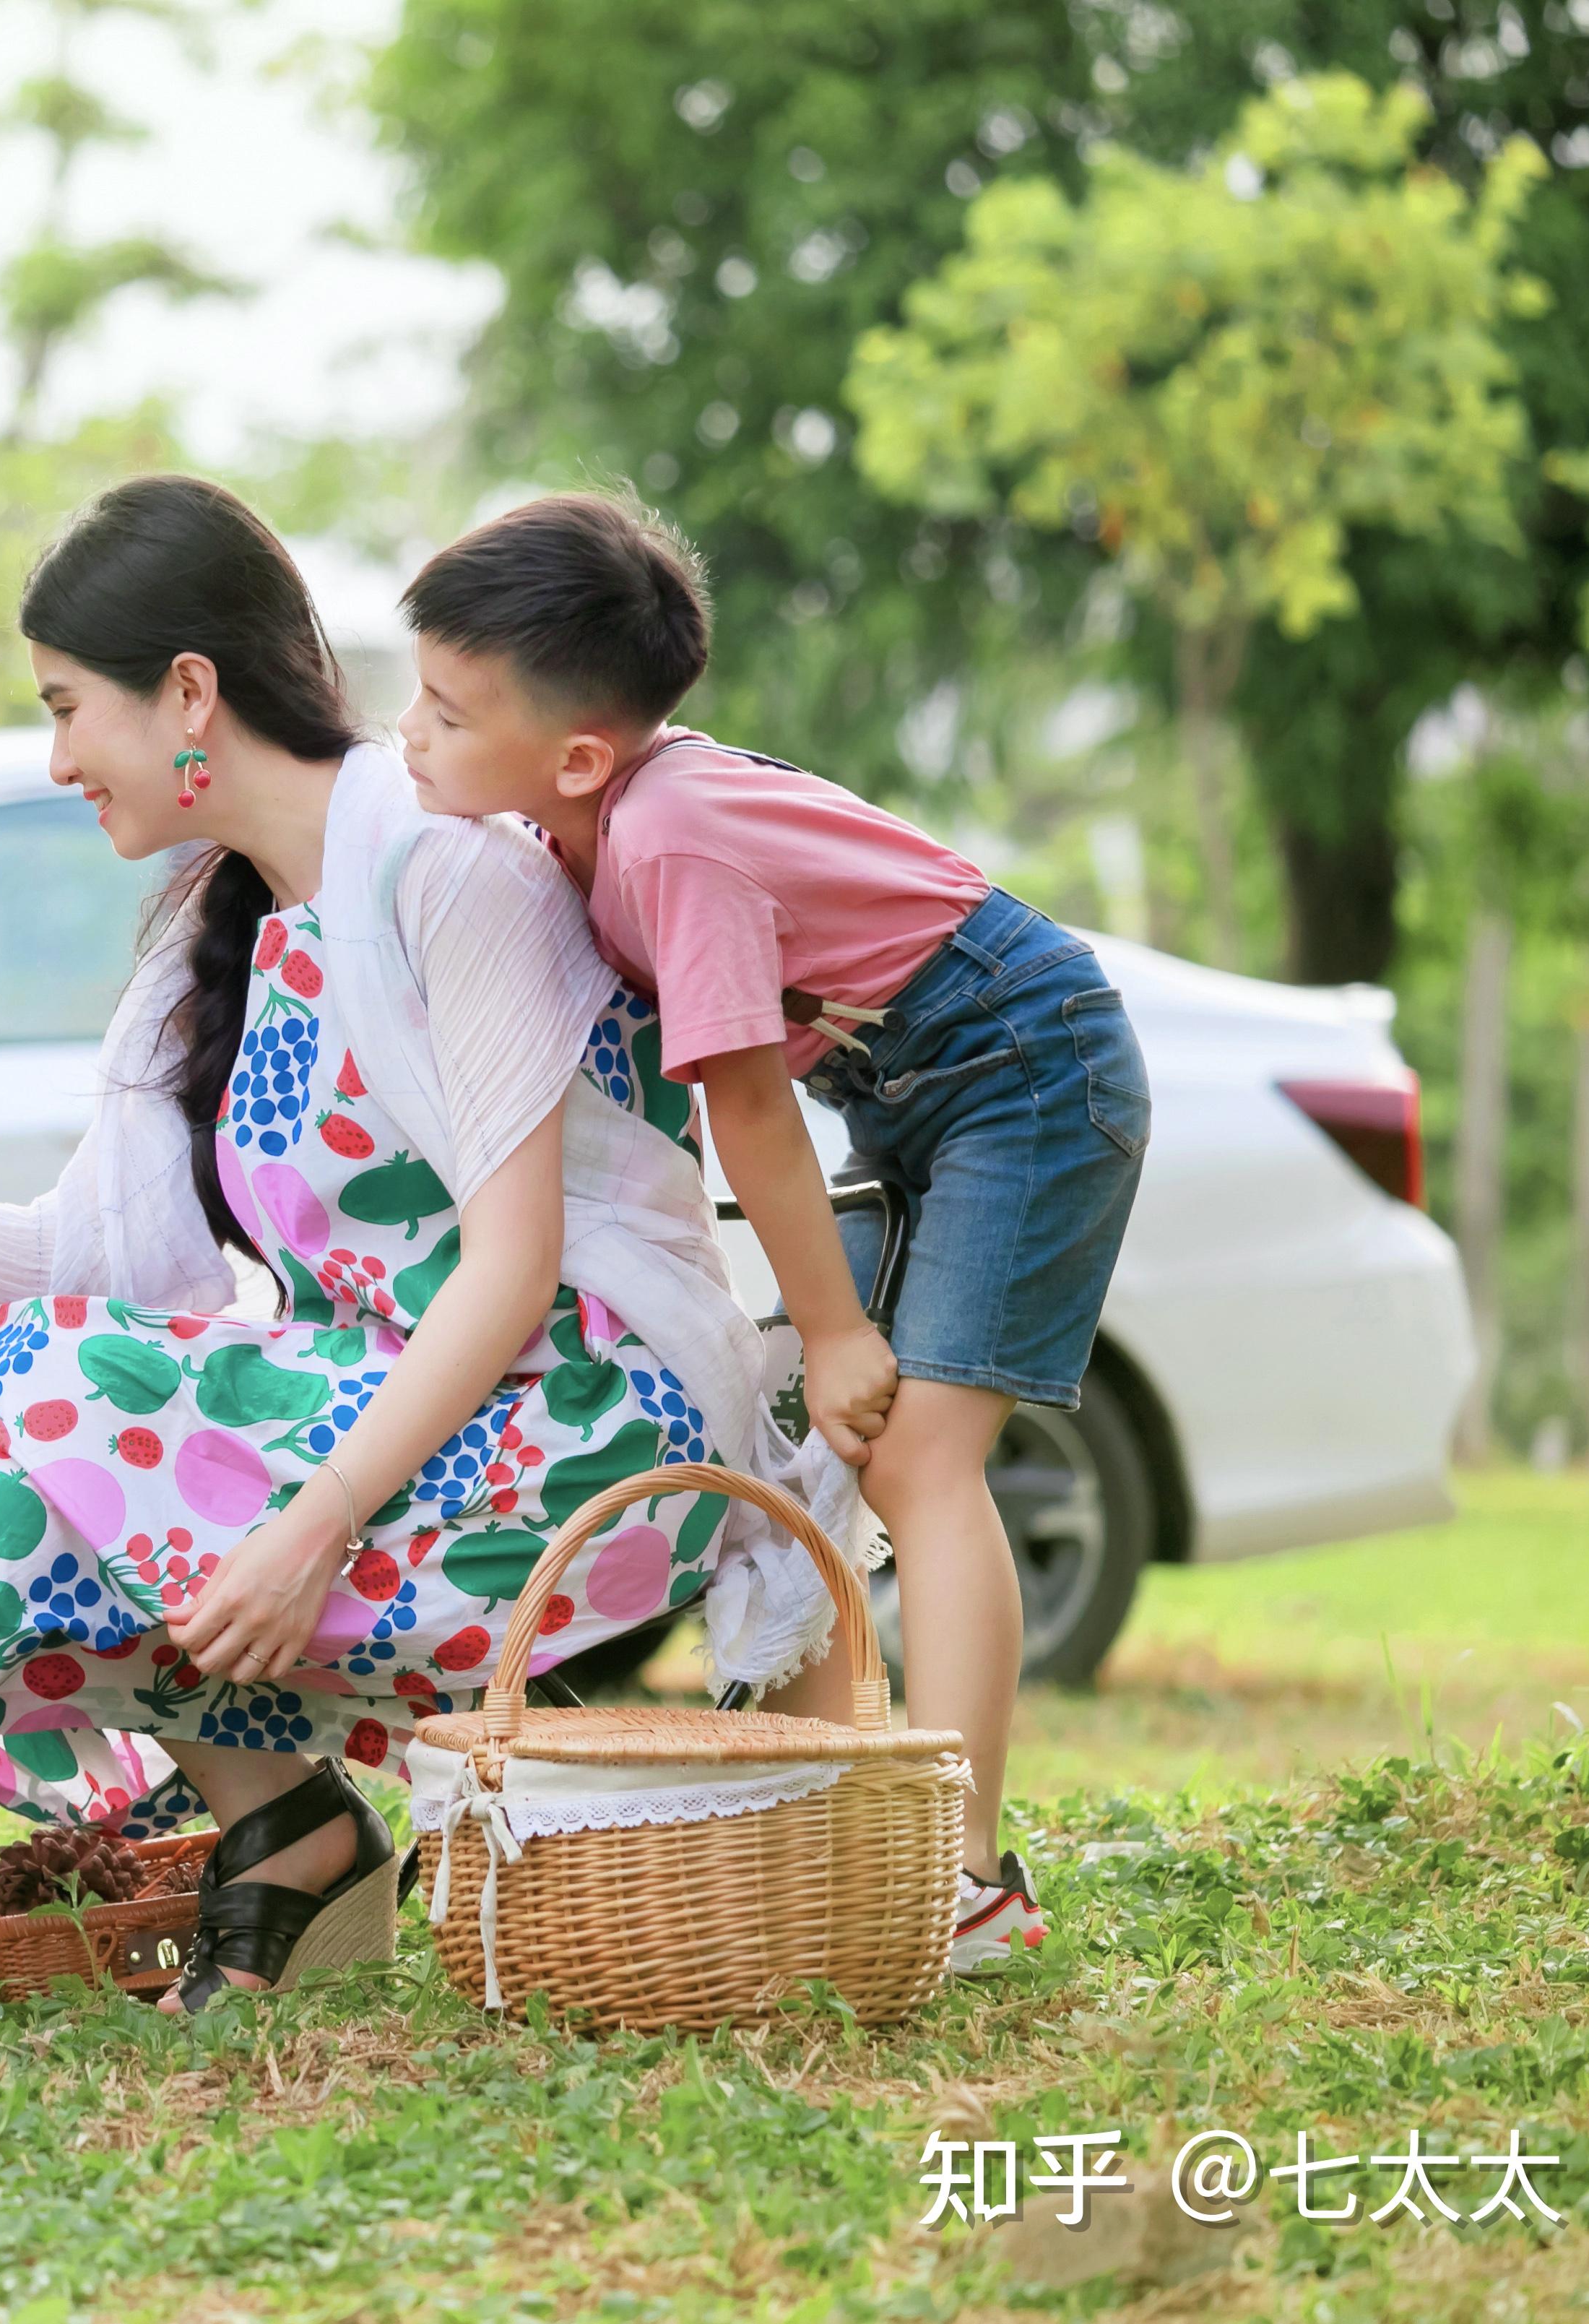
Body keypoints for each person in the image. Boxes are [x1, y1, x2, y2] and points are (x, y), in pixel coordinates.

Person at [0, 476, 814, 2049]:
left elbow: (510, 1266)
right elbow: (85, 1260)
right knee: (43, 1394)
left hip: (581, 1444)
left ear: (188, 694)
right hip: (410, 1440)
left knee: (60, 1403)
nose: (57, 754)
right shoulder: (224, 931)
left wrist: (307, 1523)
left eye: (69, 706)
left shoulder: (443, 872)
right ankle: (288, 1836)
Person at [393, 490, 1151, 1969]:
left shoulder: (664, 841)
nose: (407, 731)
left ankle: (966, 1871)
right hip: (919, 1078)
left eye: (441, 708)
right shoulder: (578, 828)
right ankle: (837, 1817)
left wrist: (831, 1322)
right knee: (836, 1447)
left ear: (573, 755)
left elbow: (746, 1108)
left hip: (1025, 1063)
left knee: (920, 1450)